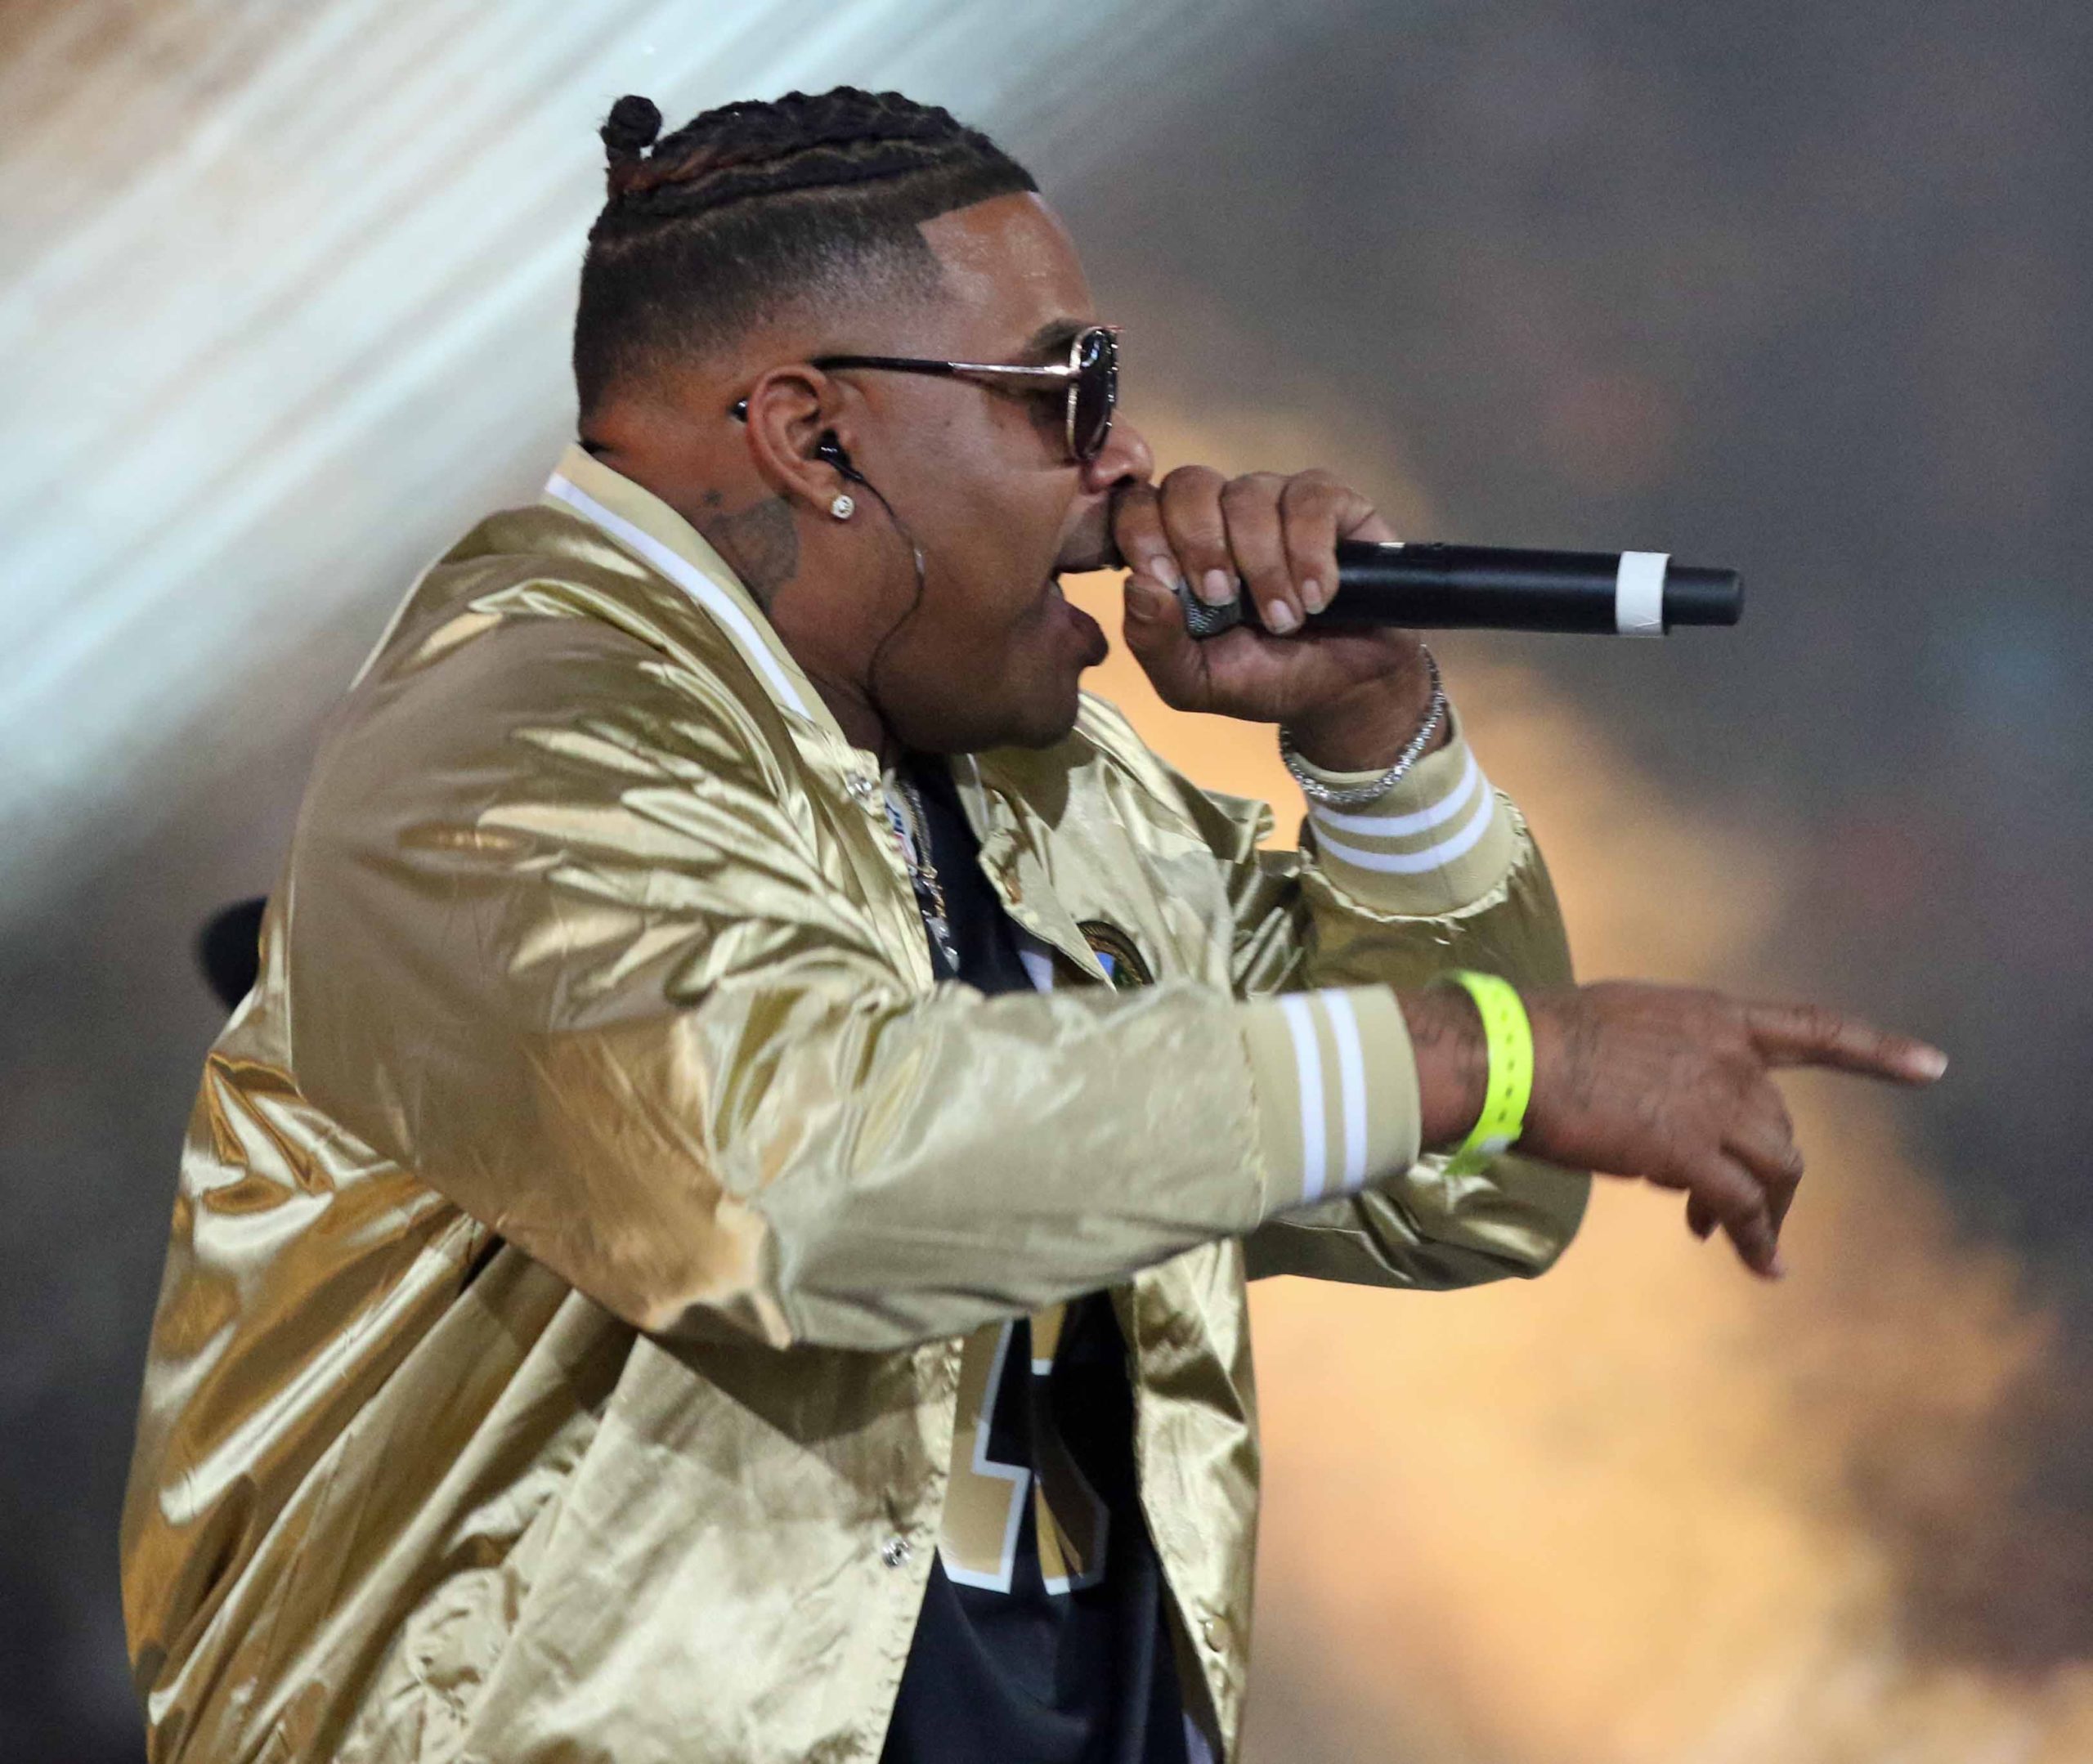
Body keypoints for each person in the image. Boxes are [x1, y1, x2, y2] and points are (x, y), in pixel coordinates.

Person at [121, 87, 1947, 1764]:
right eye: (1062, 387)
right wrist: (1485, 1050)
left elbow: (1455, 1184)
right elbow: (793, 1179)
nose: (1121, 455)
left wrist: (1375, 746)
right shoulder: (517, 739)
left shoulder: (1047, 794)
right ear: (814, 431)